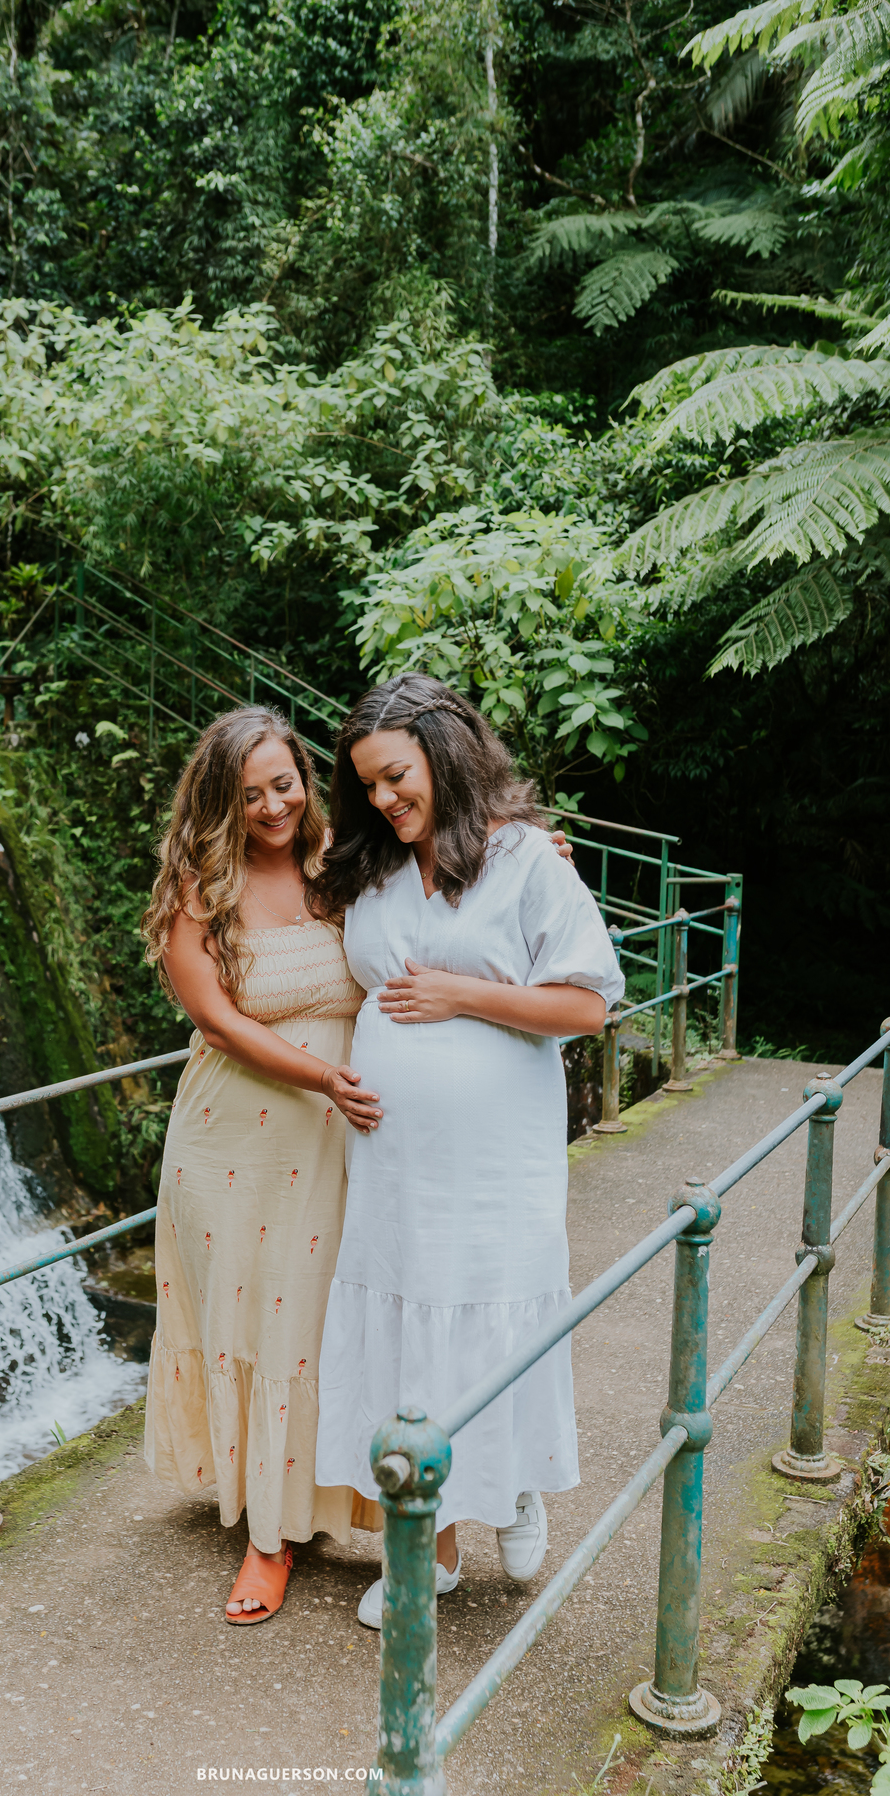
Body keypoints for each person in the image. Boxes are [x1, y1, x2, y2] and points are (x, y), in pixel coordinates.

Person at [312, 672, 624, 1629]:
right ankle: (429, 1552)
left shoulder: (525, 859)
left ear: (444, 756)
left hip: (495, 1161)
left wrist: (460, 994)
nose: (383, 798)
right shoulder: (369, 867)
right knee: (407, 1336)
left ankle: (515, 1487)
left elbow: (587, 1003)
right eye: (367, 784)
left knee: (494, 1318)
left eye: (396, 776)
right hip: (392, 1164)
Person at [140, 706, 384, 1625]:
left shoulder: (341, 865)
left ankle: (322, 1501)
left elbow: (443, 880)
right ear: (221, 802)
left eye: (285, 785)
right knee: (259, 1324)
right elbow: (217, 1020)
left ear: (306, 782)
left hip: (336, 1141)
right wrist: (323, 1076)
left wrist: (529, 856)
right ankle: (268, 1538)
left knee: (322, 1323)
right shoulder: (200, 887)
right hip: (233, 1146)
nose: (274, 806)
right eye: (251, 795)